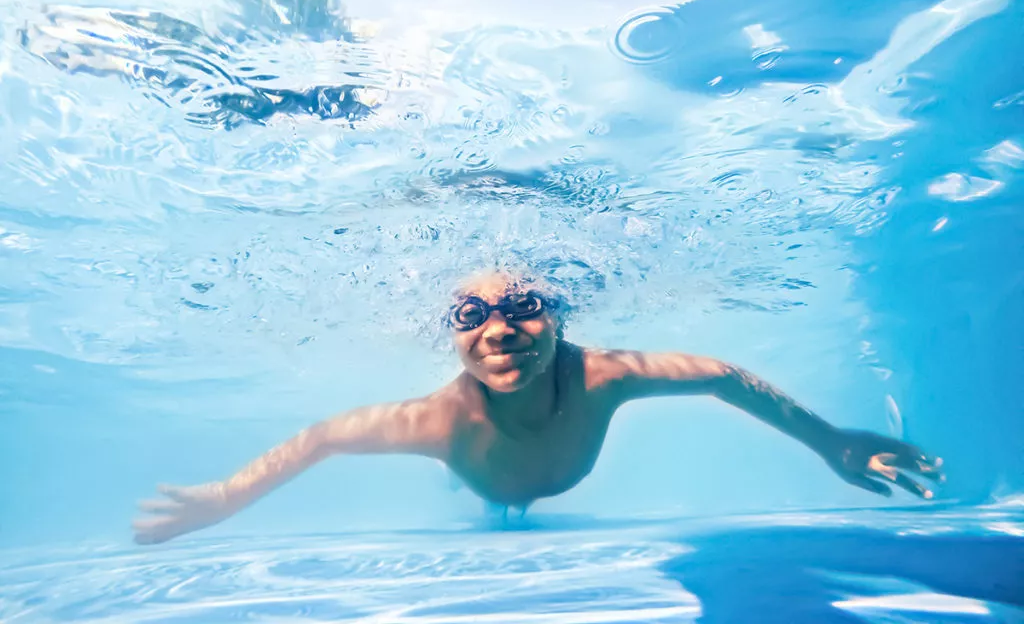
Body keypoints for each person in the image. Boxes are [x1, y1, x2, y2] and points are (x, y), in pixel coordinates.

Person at [133, 269, 943, 544]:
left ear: (558, 317)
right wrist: (223, 498)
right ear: (449, 337)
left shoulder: (604, 376)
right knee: (482, 497)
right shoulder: (435, 422)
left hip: (534, 471)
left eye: (523, 306)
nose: (500, 330)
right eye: (471, 316)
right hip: (485, 474)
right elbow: (318, 440)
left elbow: (724, 376)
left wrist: (832, 441)